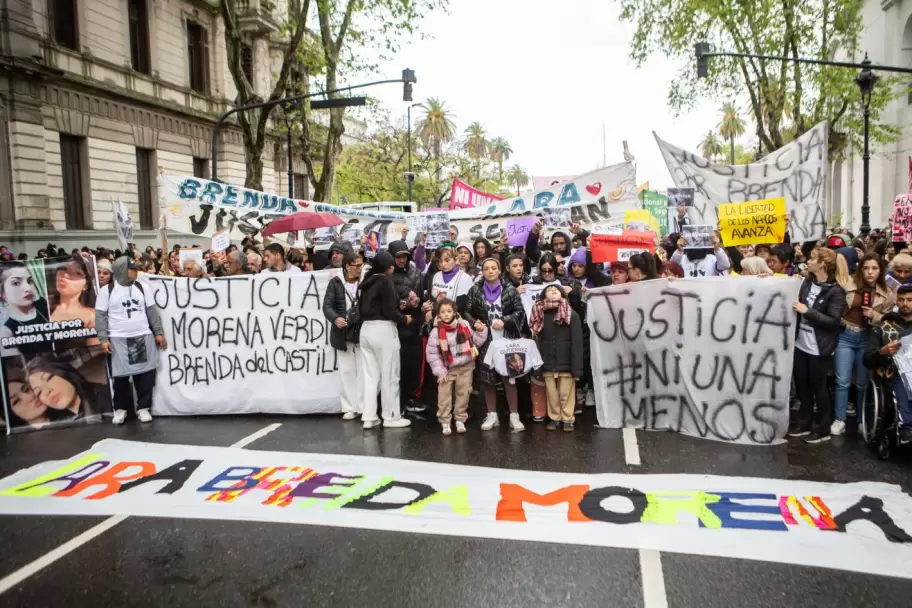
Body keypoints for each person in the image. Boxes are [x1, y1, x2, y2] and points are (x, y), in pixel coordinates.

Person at [95, 257, 168, 425]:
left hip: (141, 336)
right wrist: (103, 338)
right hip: (118, 339)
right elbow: (100, 315)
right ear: (121, 270)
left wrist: (158, 332)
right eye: (132, 269)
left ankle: (143, 408)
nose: (135, 272)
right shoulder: (107, 291)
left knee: (144, 375)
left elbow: (152, 312)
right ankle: (120, 409)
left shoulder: (143, 288)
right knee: (120, 377)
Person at [831, 253, 894, 436]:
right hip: (846, 335)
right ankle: (839, 419)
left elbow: (889, 321)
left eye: (874, 268)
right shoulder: (848, 285)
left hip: (868, 338)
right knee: (842, 381)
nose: (870, 272)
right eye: (866, 268)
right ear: (860, 269)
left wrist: (874, 316)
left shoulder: (887, 293)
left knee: (862, 383)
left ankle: (861, 419)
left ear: (880, 270)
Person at [462, 257, 526, 432]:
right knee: (487, 378)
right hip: (486, 341)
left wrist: (505, 321)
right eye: (486, 268)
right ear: (482, 272)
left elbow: (520, 313)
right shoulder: (475, 290)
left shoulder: (510, 290)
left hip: (507, 340)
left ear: (499, 271)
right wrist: (474, 322)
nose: (490, 271)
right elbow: (466, 311)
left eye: (493, 268)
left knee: (509, 377)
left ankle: (514, 415)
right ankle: (492, 415)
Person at [789, 247, 846, 444]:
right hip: (801, 344)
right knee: (802, 384)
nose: (808, 261)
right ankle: (804, 424)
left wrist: (807, 311)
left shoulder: (836, 291)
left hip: (819, 348)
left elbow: (833, 321)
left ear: (821, 263)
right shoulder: (807, 281)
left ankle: (822, 428)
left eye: (812, 258)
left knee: (818, 387)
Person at [358, 251, 412, 429]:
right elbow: (390, 311)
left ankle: (369, 416)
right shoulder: (385, 281)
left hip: (366, 330)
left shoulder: (366, 281)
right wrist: (405, 319)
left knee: (370, 376)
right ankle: (391, 416)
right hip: (383, 330)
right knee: (390, 375)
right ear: (388, 266)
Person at [425, 298, 488, 435]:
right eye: (442, 312)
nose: (446, 314)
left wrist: (481, 331)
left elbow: (475, 343)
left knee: (463, 394)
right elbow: (432, 355)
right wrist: (440, 371)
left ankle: (460, 418)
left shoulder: (464, 325)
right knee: (444, 396)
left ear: (455, 312)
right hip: (446, 369)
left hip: (466, 366)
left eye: (449, 311)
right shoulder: (436, 332)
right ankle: (445, 421)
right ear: (438, 314)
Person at [531, 284, 583, 431]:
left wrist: (577, 368)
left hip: (566, 361)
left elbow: (577, 343)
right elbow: (537, 341)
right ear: (543, 296)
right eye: (549, 290)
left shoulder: (571, 315)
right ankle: (554, 417)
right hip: (548, 360)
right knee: (552, 394)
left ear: (562, 294)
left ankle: (567, 418)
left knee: (566, 393)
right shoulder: (540, 315)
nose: (553, 291)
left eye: (556, 290)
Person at [864, 284, 912, 445]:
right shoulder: (882, 328)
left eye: (910, 300)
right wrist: (882, 352)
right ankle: (906, 426)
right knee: (902, 379)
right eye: (902, 300)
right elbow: (867, 360)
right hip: (893, 373)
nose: (905, 304)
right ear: (896, 302)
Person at [322, 251, 364, 421]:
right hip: (342, 333)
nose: (360, 269)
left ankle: (363, 406)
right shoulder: (335, 282)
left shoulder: (365, 281)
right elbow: (327, 306)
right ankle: (349, 406)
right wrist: (335, 318)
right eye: (357, 266)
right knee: (346, 371)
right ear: (347, 266)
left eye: (361, 265)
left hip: (361, 331)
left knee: (363, 370)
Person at [387, 239, 425, 414]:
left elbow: (422, 296)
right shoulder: (387, 274)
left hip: (415, 324)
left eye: (405, 256)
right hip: (396, 326)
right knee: (397, 367)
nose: (402, 260)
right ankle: (397, 403)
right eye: (398, 257)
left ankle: (411, 399)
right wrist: (400, 303)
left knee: (413, 366)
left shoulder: (416, 272)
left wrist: (418, 301)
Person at [25, 354, 106, 421]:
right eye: (39, 392)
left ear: (64, 371)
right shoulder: (61, 425)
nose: (47, 391)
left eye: (48, 378)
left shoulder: (106, 398)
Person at [0, 262, 51, 356]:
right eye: (16, 283)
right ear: (2, 293)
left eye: (30, 281)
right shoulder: (7, 332)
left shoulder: (44, 304)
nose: (28, 288)